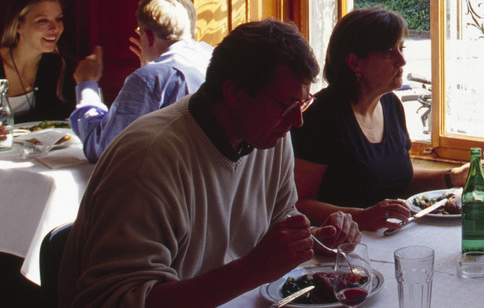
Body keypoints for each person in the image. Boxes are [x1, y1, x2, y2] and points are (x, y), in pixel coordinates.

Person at [58, 20, 361, 307]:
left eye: (303, 103)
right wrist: (251, 271)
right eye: (286, 105)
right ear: (233, 92)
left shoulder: (268, 136)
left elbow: (280, 220)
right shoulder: (148, 161)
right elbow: (116, 300)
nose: (297, 121)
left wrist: (318, 240)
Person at [291, 7, 476, 231]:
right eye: (389, 52)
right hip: (340, 249)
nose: (402, 60)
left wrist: (453, 177)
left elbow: (397, 178)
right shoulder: (320, 116)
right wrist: (361, 217)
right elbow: (299, 204)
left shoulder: (391, 105)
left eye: (401, 48)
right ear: (355, 63)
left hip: (389, 237)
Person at [69, 0, 214, 163]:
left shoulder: (149, 79)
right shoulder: (212, 56)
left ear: (147, 36)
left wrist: (86, 85)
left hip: (169, 182)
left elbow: (103, 149)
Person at [0, 0, 75, 123]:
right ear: (18, 26)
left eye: (59, 19)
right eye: (43, 21)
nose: (55, 28)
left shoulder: (56, 65)